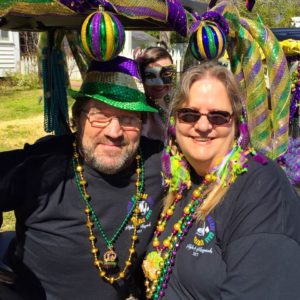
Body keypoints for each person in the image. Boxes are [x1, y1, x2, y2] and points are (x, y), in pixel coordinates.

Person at [0, 56, 165, 299]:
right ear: (77, 118)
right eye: (99, 115)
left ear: (142, 124)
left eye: (129, 118)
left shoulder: (161, 163)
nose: (114, 132)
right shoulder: (41, 165)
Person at [142, 62, 300, 300]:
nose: (203, 126)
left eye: (218, 117)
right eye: (189, 115)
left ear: (237, 124)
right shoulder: (179, 181)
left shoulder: (260, 185)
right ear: (175, 123)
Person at [136, 46, 176, 141]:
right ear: (141, 76)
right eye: (151, 75)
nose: (160, 83)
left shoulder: (175, 104)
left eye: (166, 74)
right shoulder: (138, 111)